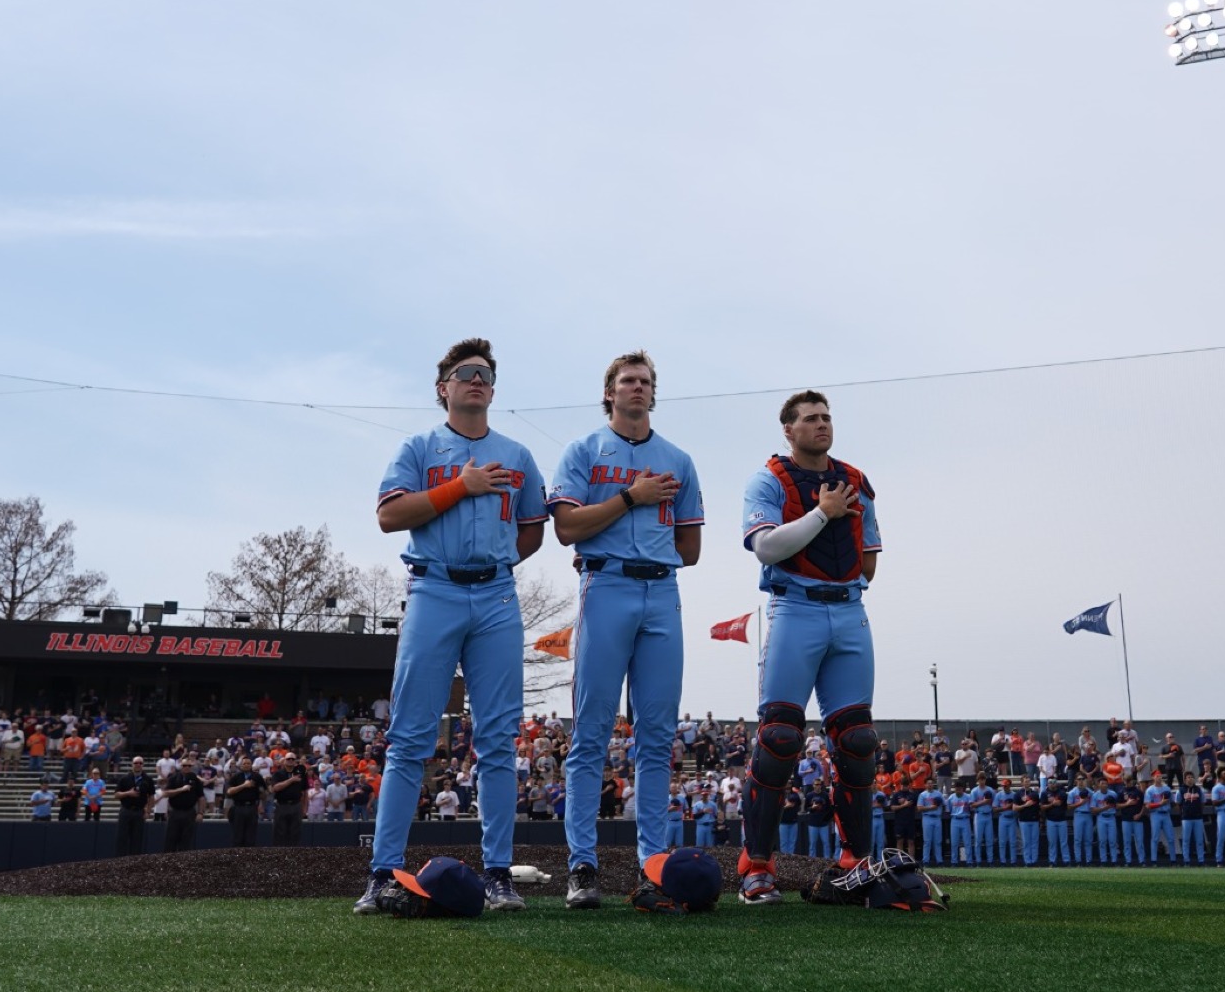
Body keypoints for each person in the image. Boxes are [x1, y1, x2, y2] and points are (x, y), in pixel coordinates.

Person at [357, 338, 548, 917]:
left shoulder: (516, 455)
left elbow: (533, 530)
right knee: (410, 739)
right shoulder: (419, 446)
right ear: (443, 387)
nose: (477, 380)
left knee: (496, 740)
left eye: (486, 374)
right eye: (465, 373)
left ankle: (497, 874)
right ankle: (383, 873)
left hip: (493, 594)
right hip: (433, 589)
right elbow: (390, 515)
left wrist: (492, 564)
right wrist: (457, 488)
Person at [548, 351, 703, 909]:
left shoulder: (678, 459)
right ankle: (583, 867)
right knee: (591, 734)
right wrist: (630, 499)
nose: (637, 388)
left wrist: (638, 528)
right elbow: (565, 528)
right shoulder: (584, 450)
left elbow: (691, 549)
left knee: (657, 739)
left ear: (653, 393)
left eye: (645, 381)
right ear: (609, 392)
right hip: (606, 585)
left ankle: (652, 867)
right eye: (627, 381)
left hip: (661, 591)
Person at [734, 391, 885, 906]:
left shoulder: (857, 480)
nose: (822, 424)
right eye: (810, 419)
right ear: (788, 429)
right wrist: (822, 515)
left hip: (848, 609)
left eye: (826, 417)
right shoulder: (768, 479)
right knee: (778, 736)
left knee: (858, 741)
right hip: (794, 608)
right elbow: (766, 547)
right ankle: (756, 866)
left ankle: (855, 863)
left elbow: (869, 562)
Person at [112, 757, 155, 857]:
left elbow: (152, 797)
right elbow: (116, 795)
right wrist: (128, 793)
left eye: (140, 763)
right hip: (125, 811)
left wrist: (148, 811)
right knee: (121, 839)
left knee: (137, 840)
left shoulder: (148, 779)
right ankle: (120, 862)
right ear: (132, 764)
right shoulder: (124, 778)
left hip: (139, 812)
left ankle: (134, 865)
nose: (138, 764)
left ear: (143, 765)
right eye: (136, 762)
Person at [160, 759, 204, 852]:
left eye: (189, 766)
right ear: (181, 766)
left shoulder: (195, 779)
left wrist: (200, 812)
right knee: (170, 840)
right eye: (184, 766)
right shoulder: (173, 777)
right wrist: (181, 789)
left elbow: (201, 797)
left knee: (186, 841)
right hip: (175, 812)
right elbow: (165, 793)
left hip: (189, 812)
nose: (187, 767)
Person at [270, 754, 308, 847]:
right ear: (284, 761)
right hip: (282, 805)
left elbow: (305, 792)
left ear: (295, 761)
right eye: (288, 759)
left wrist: (304, 809)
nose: (290, 760)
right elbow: (275, 788)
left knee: (295, 834)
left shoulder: (302, 774)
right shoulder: (278, 774)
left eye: (293, 759)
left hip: (296, 805)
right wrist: (291, 780)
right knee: (280, 833)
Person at [224, 755, 262, 847]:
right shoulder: (236, 777)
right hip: (238, 808)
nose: (246, 765)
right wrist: (244, 786)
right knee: (237, 837)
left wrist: (263, 790)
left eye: (248, 763)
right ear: (241, 766)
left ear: (251, 765)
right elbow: (229, 791)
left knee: (251, 838)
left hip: (252, 808)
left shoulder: (257, 777)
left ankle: (249, 859)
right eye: (244, 763)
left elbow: (263, 793)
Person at [1145, 772, 1176, 866]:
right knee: (1155, 838)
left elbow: (1172, 802)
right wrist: (1160, 804)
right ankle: (1154, 861)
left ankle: (1173, 860)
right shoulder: (1150, 790)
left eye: (1160, 776)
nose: (1159, 778)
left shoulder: (1166, 788)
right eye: (1157, 776)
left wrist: (1170, 803)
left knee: (1171, 838)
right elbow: (1147, 805)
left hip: (1166, 814)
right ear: (1153, 777)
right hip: (1155, 814)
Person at [1176, 773, 1206, 866]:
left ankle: (1201, 861)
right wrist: (1183, 813)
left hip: (1198, 818)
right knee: (1186, 840)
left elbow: (1203, 802)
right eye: (1188, 777)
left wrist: (1198, 811)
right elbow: (1178, 803)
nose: (1190, 779)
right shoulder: (1180, 790)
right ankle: (1186, 861)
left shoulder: (1198, 789)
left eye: (1192, 777)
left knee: (1199, 840)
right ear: (1185, 779)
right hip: (1186, 818)